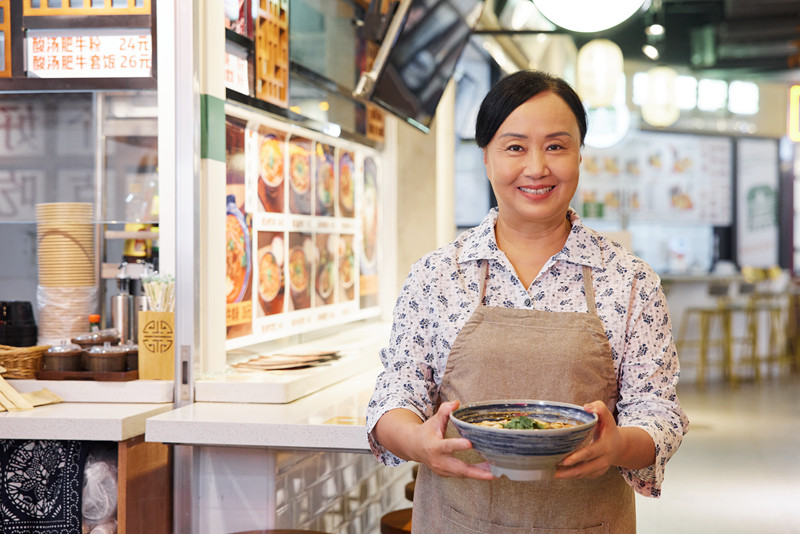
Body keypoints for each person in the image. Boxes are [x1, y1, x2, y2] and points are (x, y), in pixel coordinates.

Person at [366, 70, 689, 533]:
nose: (537, 167)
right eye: (515, 147)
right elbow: (396, 393)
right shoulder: (438, 275)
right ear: (486, 157)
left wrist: (617, 447)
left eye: (556, 146)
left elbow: (657, 412)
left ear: (580, 154)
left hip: (587, 520)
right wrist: (418, 442)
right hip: (459, 519)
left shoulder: (629, 280)